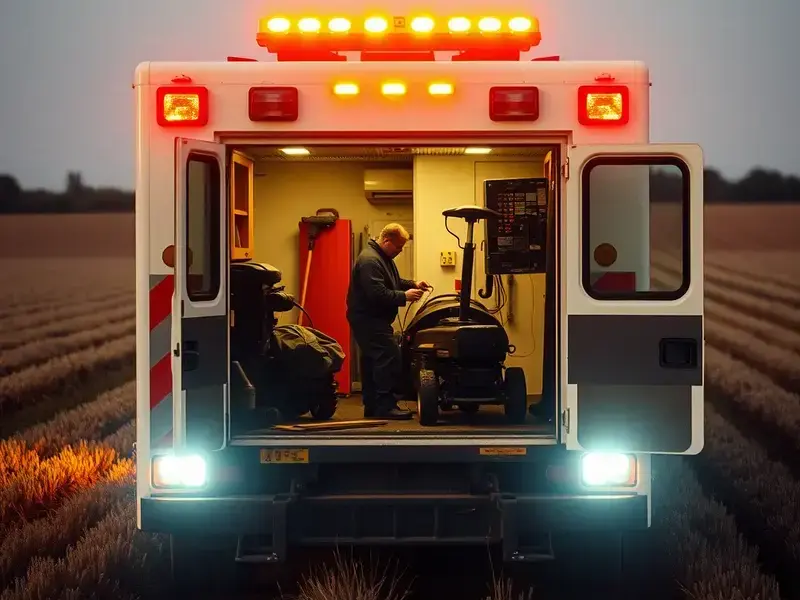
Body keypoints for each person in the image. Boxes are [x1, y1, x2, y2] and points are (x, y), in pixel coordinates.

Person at [346, 223, 431, 420]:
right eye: (399, 247)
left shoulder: (381, 258)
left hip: (372, 318)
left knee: (372, 360)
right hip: (369, 319)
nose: (400, 251)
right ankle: (385, 406)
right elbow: (377, 294)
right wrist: (405, 296)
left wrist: (413, 284)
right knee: (388, 357)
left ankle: (373, 406)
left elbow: (391, 281)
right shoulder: (370, 261)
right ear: (386, 241)